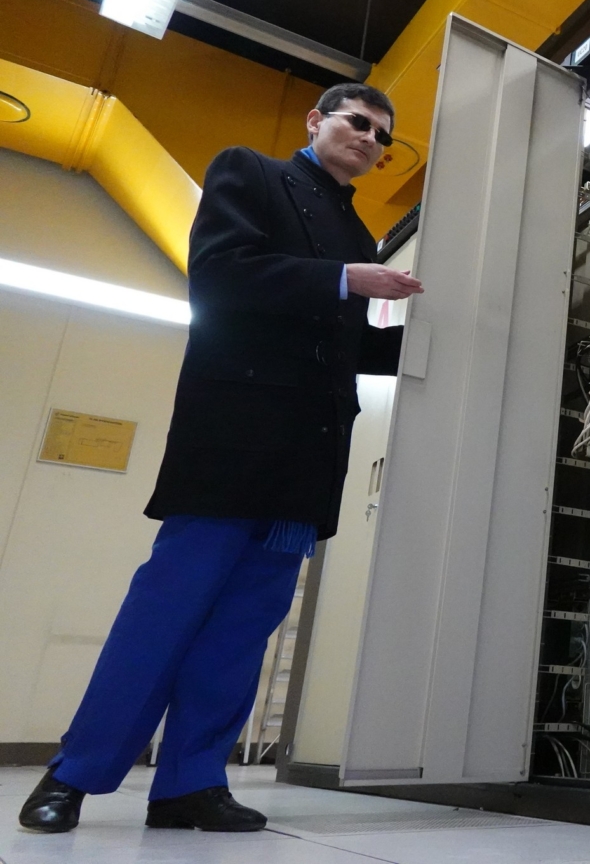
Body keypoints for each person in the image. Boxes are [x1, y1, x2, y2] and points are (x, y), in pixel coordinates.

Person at [18, 83, 423, 834]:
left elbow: (343, 344)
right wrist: (344, 280)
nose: (370, 140)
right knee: (164, 614)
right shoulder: (250, 173)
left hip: (308, 457)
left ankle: (190, 783)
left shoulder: (358, 234)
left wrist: (432, 345)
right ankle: (73, 774)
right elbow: (220, 273)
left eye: (383, 136)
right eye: (358, 123)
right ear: (316, 120)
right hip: (233, 438)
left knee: (243, 631)